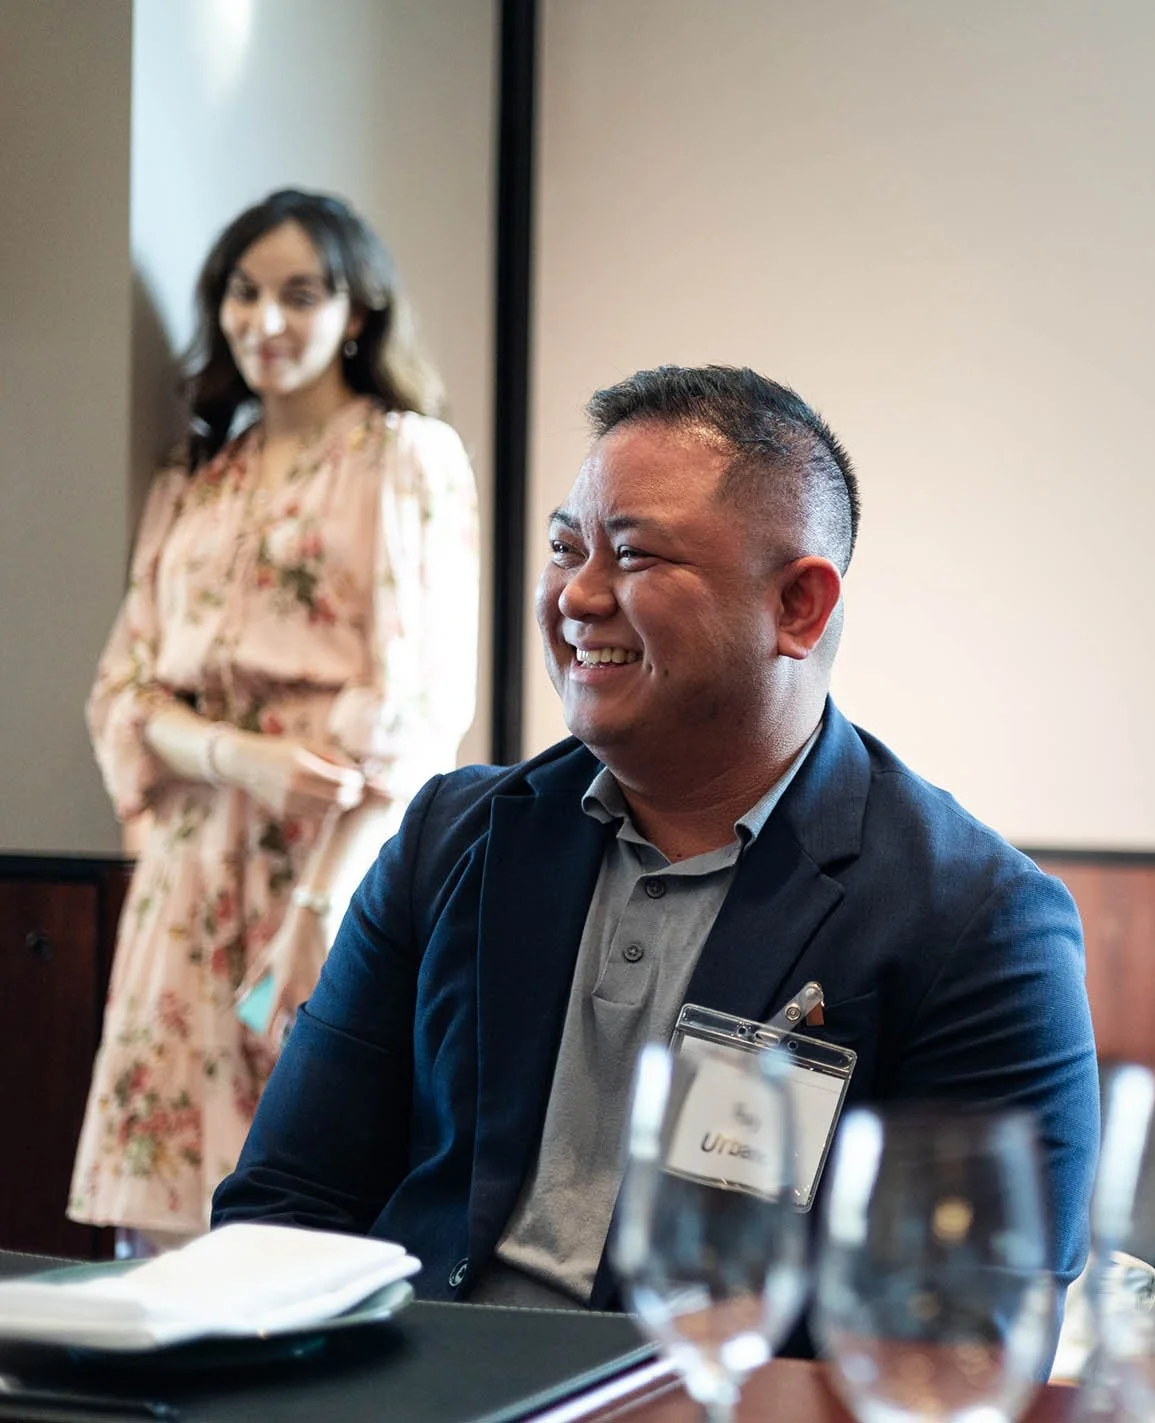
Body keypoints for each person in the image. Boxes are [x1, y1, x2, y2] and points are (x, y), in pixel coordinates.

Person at [212, 363, 1101, 1316]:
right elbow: (284, 1207)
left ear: (798, 605)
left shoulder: (973, 920)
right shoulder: (453, 837)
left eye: (633, 557)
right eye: (565, 547)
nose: (576, 596)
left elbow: (964, 1331)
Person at [74, 188, 479, 1247]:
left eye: (300, 294)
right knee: (164, 1233)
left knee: (310, 1211)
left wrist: (314, 910)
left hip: (333, 872)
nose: (266, 321)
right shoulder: (194, 481)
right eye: (244, 294)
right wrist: (236, 756)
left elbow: (420, 711)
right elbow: (122, 692)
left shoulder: (405, 458)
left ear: (357, 312)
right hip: (187, 875)